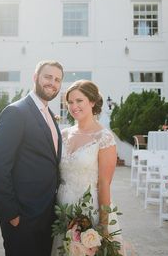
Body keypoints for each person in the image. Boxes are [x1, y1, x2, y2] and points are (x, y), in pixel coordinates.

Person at [0, 60, 63, 256]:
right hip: (22, 215)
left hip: (47, 213)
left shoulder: (51, 116)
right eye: (47, 77)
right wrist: (11, 214)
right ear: (35, 78)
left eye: (57, 79)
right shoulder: (16, 112)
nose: (52, 83)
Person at [51, 80, 124, 255]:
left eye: (79, 101)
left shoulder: (104, 138)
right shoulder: (63, 134)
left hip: (89, 211)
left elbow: (105, 183)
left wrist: (104, 225)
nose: (73, 106)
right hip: (62, 210)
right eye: (69, 102)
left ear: (92, 102)